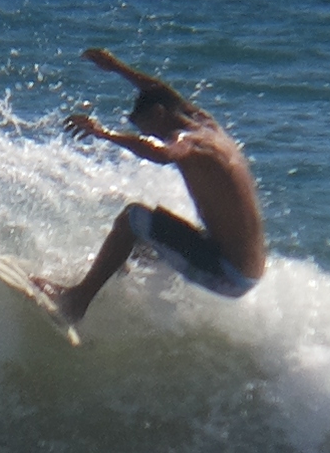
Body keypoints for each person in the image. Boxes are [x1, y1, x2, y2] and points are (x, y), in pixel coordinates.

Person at [34, 48, 266, 325]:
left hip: (227, 273)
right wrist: (117, 68)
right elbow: (161, 92)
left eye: (149, 130)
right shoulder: (205, 124)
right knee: (140, 243)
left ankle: (76, 302)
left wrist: (102, 133)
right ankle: (109, 296)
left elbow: (163, 154)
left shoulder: (191, 143)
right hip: (242, 267)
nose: (152, 136)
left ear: (159, 114)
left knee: (132, 219)